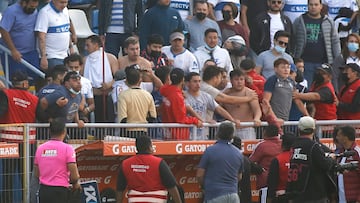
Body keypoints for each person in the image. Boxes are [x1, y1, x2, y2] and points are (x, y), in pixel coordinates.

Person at [0, 71, 38, 203]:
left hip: (8, 142)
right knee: (26, 176)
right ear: (25, 83)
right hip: (28, 143)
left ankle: (7, 201)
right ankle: (27, 200)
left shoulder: (5, 94)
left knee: (8, 175)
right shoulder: (34, 99)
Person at [116, 134, 182, 203]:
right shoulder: (159, 163)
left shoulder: (125, 164)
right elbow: (171, 186)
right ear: (149, 147)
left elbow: (120, 190)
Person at [286, 116, 336, 203]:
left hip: (296, 191)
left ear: (299, 129)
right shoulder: (313, 146)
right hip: (314, 193)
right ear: (313, 129)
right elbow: (325, 165)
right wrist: (331, 158)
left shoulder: (294, 145)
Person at [292, 0, 341, 85]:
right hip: (304, 63)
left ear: (321, 6)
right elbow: (293, 40)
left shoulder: (328, 21)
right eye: (311, 5)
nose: (313, 7)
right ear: (307, 6)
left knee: (322, 89)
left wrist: (337, 59)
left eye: (316, 4)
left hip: (323, 63)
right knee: (306, 88)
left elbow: (335, 41)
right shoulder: (299, 20)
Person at [34, 118, 81, 203]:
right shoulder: (68, 149)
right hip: (60, 191)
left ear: (50, 131)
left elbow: (37, 173)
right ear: (64, 131)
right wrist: (75, 183)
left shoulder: (40, 148)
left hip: (44, 191)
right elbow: (74, 175)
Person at [196, 121, 243, 203]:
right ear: (232, 135)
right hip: (233, 195)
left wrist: (206, 186)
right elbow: (239, 177)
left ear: (217, 133)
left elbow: (199, 175)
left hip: (214, 195)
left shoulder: (210, 150)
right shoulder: (238, 153)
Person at [184, 72, 240, 140]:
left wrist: (232, 119)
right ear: (187, 83)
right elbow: (190, 111)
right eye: (195, 81)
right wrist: (204, 121)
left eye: (199, 81)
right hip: (188, 135)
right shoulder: (184, 96)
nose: (198, 84)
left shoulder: (206, 96)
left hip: (203, 135)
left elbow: (219, 109)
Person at [0, 0, 40, 85]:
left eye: (35, 7)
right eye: (31, 7)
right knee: (16, 83)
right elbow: (4, 30)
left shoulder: (34, 11)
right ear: (24, 2)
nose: (32, 9)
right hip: (14, 55)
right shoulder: (11, 11)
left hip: (31, 52)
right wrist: (13, 50)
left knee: (35, 79)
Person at [160, 68, 202, 140]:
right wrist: (195, 120)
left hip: (167, 133)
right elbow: (181, 119)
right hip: (178, 136)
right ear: (183, 80)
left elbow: (165, 88)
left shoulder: (165, 91)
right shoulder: (177, 96)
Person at [83, 35, 118, 123]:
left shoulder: (110, 58)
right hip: (91, 98)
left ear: (96, 45)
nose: (85, 48)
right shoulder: (84, 60)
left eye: (88, 45)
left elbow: (118, 77)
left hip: (106, 96)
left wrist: (109, 84)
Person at [34, 0, 75, 71]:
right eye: (61, 2)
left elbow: (65, 30)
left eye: (66, 2)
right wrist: (43, 57)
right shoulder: (45, 13)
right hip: (51, 57)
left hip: (65, 55)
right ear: (54, 1)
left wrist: (71, 47)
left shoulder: (65, 10)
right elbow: (41, 37)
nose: (64, 5)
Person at [117, 65, 157, 137]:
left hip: (128, 132)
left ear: (126, 80)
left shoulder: (123, 96)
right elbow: (153, 117)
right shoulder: (148, 95)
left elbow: (122, 118)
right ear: (140, 80)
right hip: (143, 132)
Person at [222, 69, 262, 139]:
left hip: (246, 128)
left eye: (241, 79)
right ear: (231, 80)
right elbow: (218, 108)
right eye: (236, 79)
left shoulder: (250, 93)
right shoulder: (226, 93)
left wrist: (257, 118)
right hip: (231, 129)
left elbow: (257, 109)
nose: (239, 82)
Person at [249, 124, 282, 203]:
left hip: (266, 184)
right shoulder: (283, 144)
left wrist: (258, 169)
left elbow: (249, 162)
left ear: (265, 133)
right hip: (281, 184)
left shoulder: (262, 145)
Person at [267, 132, 296, 203]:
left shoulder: (278, 160)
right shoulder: (300, 158)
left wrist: (270, 198)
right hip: (297, 196)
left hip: (280, 196)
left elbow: (272, 182)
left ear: (283, 144)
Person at [64, 54, 95, 122]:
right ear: (66, 66)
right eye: (71, 67)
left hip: (81, 114)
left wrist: (86, 110)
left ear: (81, 67)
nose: (73, 70)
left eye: (76, 67)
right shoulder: (63, 81)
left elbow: (92, 104)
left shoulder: (86, 82)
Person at [336, 125, 360, 203]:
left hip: (353, 198)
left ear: (345, 138)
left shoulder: (357, 153)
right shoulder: (340, 152)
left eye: (339, 135)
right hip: (341, 198)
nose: (337, 137)